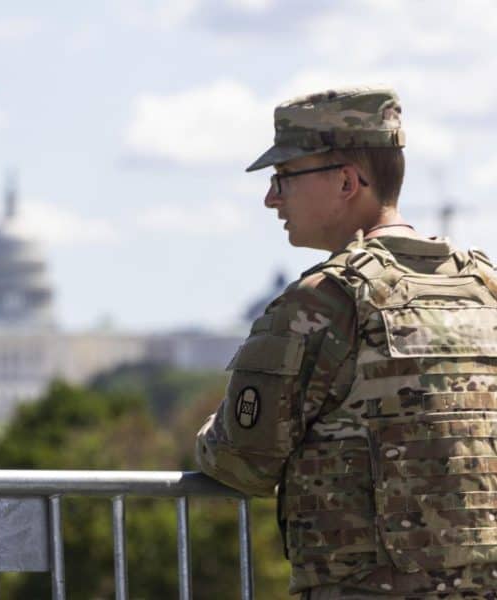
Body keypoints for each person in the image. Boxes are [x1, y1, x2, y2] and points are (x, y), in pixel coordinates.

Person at [197, 87, 497, 598]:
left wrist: (209, 434)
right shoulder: (484, 288)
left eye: (284, 176)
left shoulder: (324, 302)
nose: (271, 198)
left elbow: (242, 459)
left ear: (345, 181)